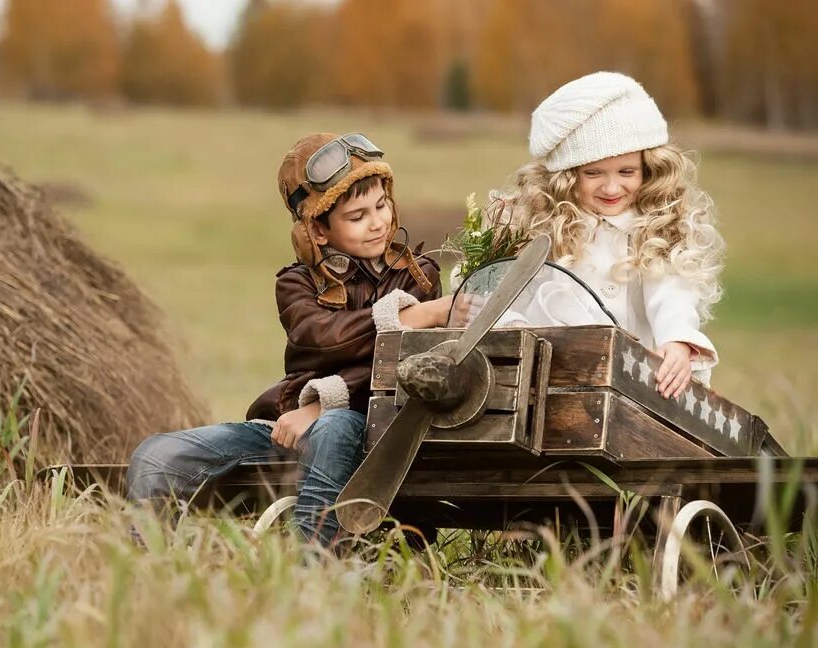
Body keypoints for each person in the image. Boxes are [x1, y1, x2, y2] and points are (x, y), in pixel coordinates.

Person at [127, 132, 451, 547]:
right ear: (318, 230)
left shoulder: (417, 276)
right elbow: (320, 337)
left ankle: (308, 576)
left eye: (381, 205)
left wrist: (321, 405)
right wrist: (411, 316)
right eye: (357, 216)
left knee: (334, 426)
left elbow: (404, 367)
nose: (378, 222)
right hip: (289, 426)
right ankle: (148, 571)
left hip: (375, 431)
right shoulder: (295, 283)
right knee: (156, 455)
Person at [455, 71, 725, 399]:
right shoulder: (542, 225)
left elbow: (671, 292)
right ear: (567, 176)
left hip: (627, 388)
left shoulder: (654, 227)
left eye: (627, 172)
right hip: (543, 383)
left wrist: (677, 340)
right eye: (593, 173)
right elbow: (500, 290)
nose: (612, 188)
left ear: (649, 169)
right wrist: (511, 330)